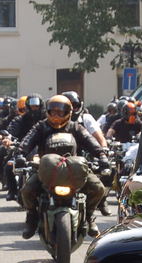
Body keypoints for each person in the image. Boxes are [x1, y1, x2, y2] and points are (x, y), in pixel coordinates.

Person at [18, 95, 109, 239]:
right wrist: (20, 154)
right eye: (52, 112)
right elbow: (27, 141)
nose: (56, 116)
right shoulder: (41, 127)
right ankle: (32, 218)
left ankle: (90, 217)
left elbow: (90, 141)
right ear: (47, 111)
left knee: (98, 188)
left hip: (75, 169)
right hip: (46, 170)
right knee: (27, 190)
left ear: (69, 112)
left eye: (60, 112)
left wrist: (102, 155)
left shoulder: (76, 127)